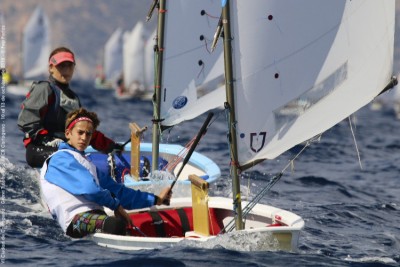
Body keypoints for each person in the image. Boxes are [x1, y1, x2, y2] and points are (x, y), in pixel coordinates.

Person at [40, 108, 172, 238]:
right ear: (68, 133)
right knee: (116, 226)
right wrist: (116, 206)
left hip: (95, 216)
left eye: (88, 134)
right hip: (74, 221)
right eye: (80, 132)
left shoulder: (87, 164)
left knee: (124, 226)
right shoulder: (59, 159)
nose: (84, 138)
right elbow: (89, 189)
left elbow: (119, 192)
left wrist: (156, 199)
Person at [17, 46, 122, 168]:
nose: (66, 70)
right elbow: (26, 121)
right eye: (62, 66)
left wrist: (110, 146)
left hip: (64, 150)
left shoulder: (74, 98)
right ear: (51, 68)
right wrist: (46, 139)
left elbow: (82, 130)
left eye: (69, 66)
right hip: (38, 150)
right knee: (78, 160)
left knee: (90, 161)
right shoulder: (44, 89)